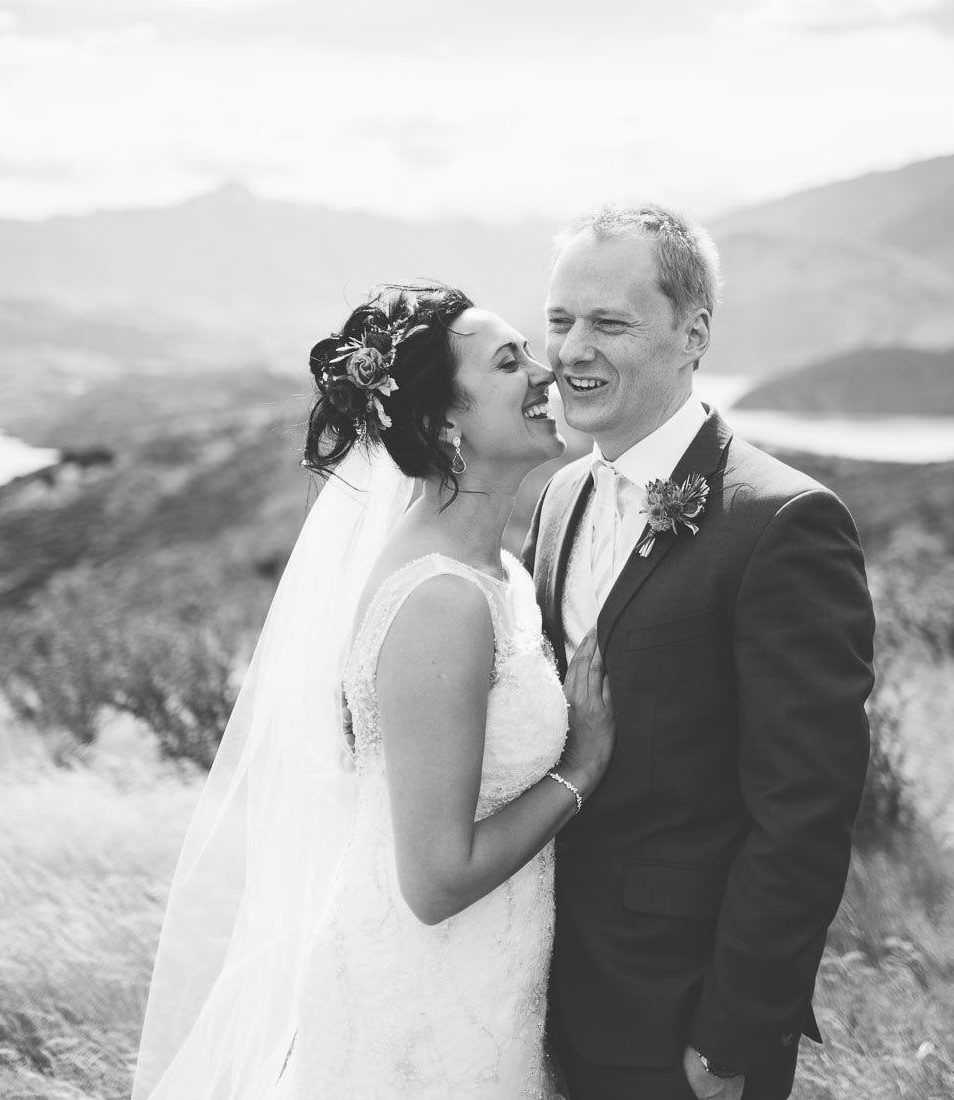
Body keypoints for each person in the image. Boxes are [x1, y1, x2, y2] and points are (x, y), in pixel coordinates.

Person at [131, 283, 616, 1100]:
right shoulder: (440, 601)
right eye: (510, 361)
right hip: (424, 1003)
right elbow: (433, 881)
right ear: (443, 425)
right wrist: (583, 766)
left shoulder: (493, 573)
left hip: (486, 980)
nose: (547, 370)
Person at [523, 205, 876, 1100]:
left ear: (693, 334)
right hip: (535, 988)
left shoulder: (784, 524)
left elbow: (805, 809)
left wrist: (733, 1037)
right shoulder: (560, 496)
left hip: (678, 1021)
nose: (570, 351)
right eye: (560, 320)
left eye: (608, 322)